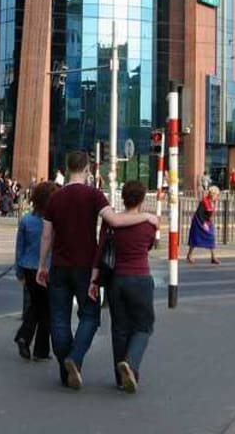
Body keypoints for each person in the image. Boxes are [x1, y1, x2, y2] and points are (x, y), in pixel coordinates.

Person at [36, 151, 157, 391]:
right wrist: (148, 217)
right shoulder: (94, 195)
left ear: (67, 168)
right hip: (84, 266)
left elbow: (47, 235)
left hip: (59, 265)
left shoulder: (55, 198)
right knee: (90, 317)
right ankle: (76, 357)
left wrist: (42, 265)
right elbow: (115, 221)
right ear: (88, 170)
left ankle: (67, 366)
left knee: (59, 319)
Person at [89, 180, 157, 394]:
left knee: (119, 328)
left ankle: (120, 379)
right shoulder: (150, 224)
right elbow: (148, 246)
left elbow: (100, 251)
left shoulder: (111, 223)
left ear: (124, 198)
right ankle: (131, 364)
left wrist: (94, 280)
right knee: (144, 326)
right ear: (143, 199)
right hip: (140, 279)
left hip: (116, 280)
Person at [14, 181, 56, 361]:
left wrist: (19, 271)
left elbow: (19, 248)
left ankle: (24, 337)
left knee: (36, 305)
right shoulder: (54, 223)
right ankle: (40, 349)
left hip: (28, 268)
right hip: (46, 269)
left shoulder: (26, 220)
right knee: (46, 309)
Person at [186, 186, 220, 264]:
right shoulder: (204, 202)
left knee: (212, 237)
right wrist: (204, 223)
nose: (217, 197)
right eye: (216, 195)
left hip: (208, 222)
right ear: (212, 194)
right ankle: (189, 255)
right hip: (199, 222)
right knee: (195, 239)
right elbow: (200, 214)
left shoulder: (212, 202)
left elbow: (210, 213)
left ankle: (213, 257)